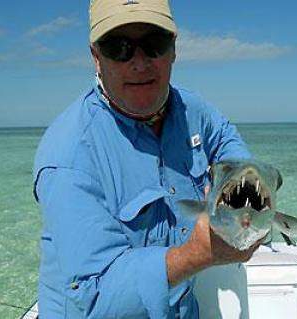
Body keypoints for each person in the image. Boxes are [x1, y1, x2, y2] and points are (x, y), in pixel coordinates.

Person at [33, 0, 264, 318]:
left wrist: (239, 197)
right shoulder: (69, 158)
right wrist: (196, 254)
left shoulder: (191, 110)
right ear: (96, 57)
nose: (139, 63)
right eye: (119, 47)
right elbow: (93, 298)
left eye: (154, 44)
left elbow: (227, 143)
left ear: (173, 49)